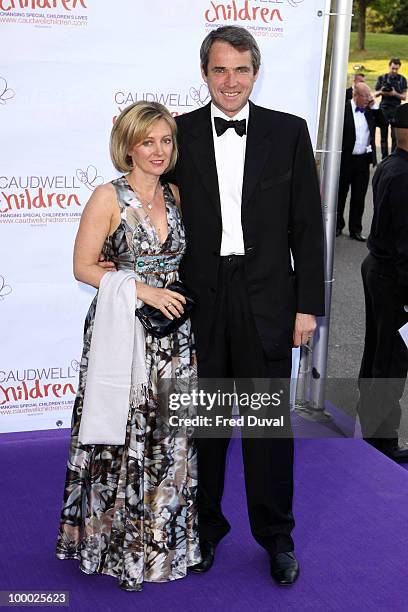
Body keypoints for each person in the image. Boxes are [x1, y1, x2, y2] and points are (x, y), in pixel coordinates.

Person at [168, 26, 325, 585]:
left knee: (266, 428)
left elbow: (307, 228)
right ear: (204, 74)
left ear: (255, 73)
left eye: (240, 69)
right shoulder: (179, 134)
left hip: (267, 298)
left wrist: (307, 307)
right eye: (219, 69)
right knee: (208, 427)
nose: (230, 81)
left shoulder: (288, 132)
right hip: (203, 300)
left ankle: (277, 538)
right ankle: (205, 532)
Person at [56, 101, 201, 591]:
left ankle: (162, 545)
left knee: (168, 439)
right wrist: (142, 290)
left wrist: (173, 295)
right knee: (120, 431)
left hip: (174, 336)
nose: (158, 151)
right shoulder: (107, 197)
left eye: (165, 141)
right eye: (148, 141)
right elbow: (83, 266)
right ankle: (117, 548)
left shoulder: (176, 195)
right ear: (129, 146)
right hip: (125, 332)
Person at [358, 103, 408, 463]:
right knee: (389, 360)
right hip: (395, 279)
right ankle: (381, 442)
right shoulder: (404, 176)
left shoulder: (391, 165)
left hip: (380, 269)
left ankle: (375, 433)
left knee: (378, 352)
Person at [336, 83, 387, 241]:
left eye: (369, 95)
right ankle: (337, 226)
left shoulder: (370, 111)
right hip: (345, 160)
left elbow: (384, 124)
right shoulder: (342, 110)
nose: (368, 98)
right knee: (340, 194)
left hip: (362, 161)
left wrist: (375, 106)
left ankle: (355, 229)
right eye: (365, 96)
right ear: (355, 95)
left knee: (359, 197)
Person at [375, 58, 407, 159]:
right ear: (389, 66)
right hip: (384, 108)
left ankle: (394, 157)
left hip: (396, 109)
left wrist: (394, 93)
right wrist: (382, 92)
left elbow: (404, 97)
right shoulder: (382, 78)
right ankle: (384, 158)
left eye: (397, 69)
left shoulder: (402, 79)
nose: (394, 71)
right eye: (393, 68)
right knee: (383, 136)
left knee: (395, 136)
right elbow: (375, 94)